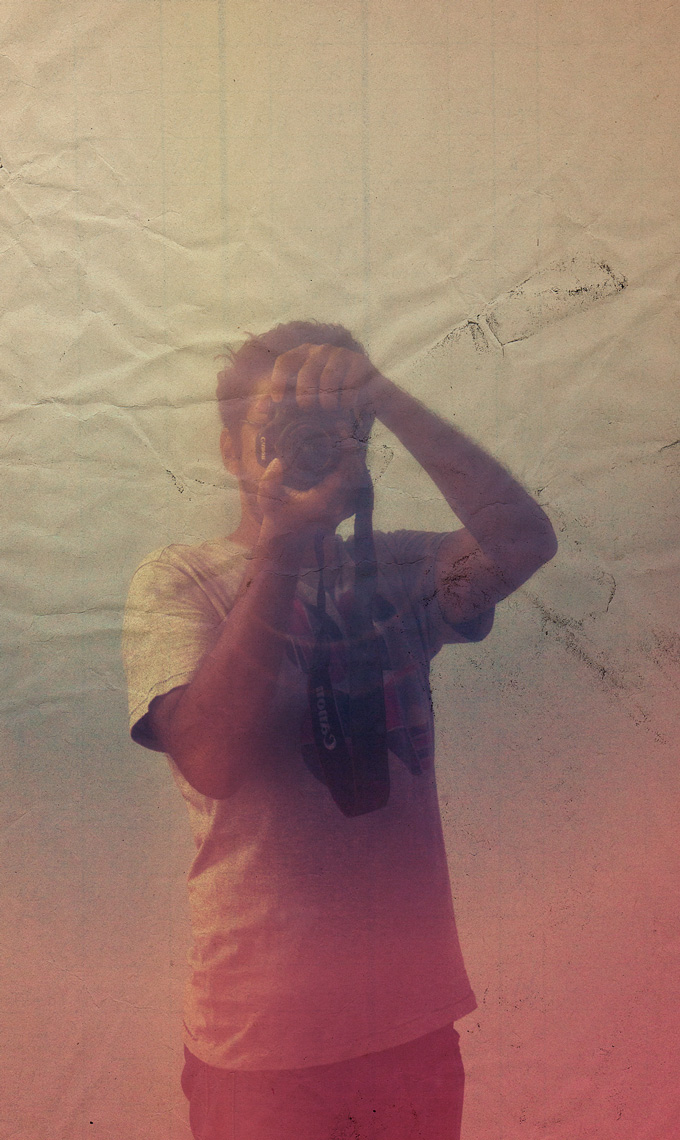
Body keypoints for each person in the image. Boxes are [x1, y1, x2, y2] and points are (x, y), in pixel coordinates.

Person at [122, 321, 557, 1140]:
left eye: (330, 429)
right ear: (230, 451)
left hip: (413, 1025)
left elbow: (526, 541)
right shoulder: (179, 580)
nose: (309, 447)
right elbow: (210, 760)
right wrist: (284, 546)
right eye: (282, 427)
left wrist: (385, 395)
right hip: (261, 1048)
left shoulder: (397, 566)